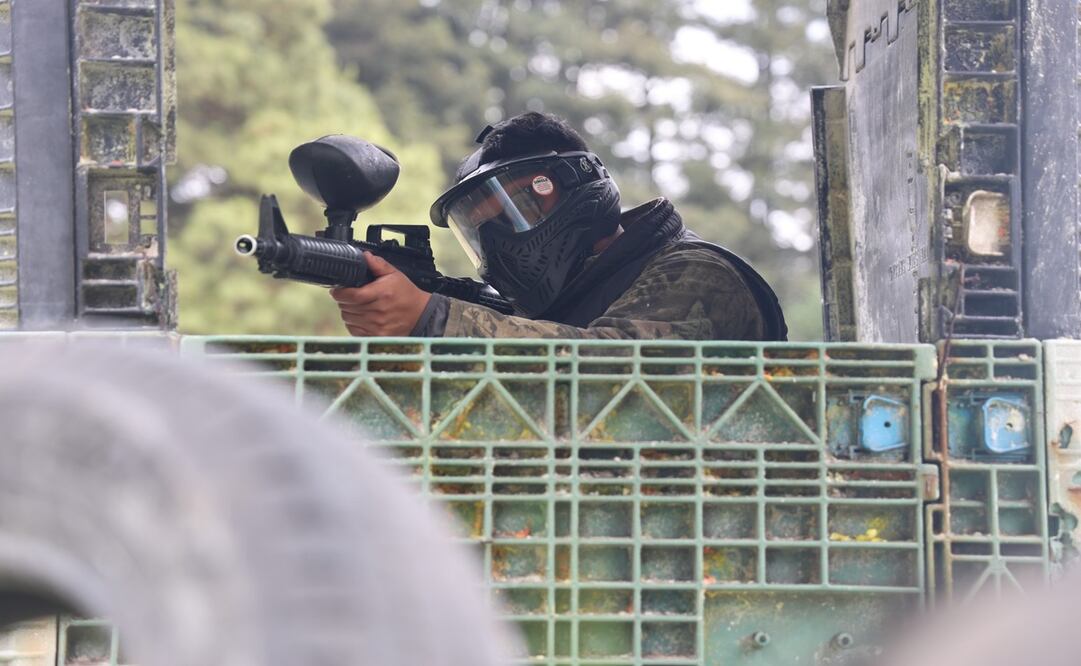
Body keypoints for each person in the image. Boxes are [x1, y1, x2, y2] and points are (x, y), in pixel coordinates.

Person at [331, 112, 787, 340]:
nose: (499, 240)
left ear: (578, 183)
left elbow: (608, 375)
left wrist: (433, 318)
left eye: (517, 208)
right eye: (481, 229)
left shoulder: (699, 272)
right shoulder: (561, 306)